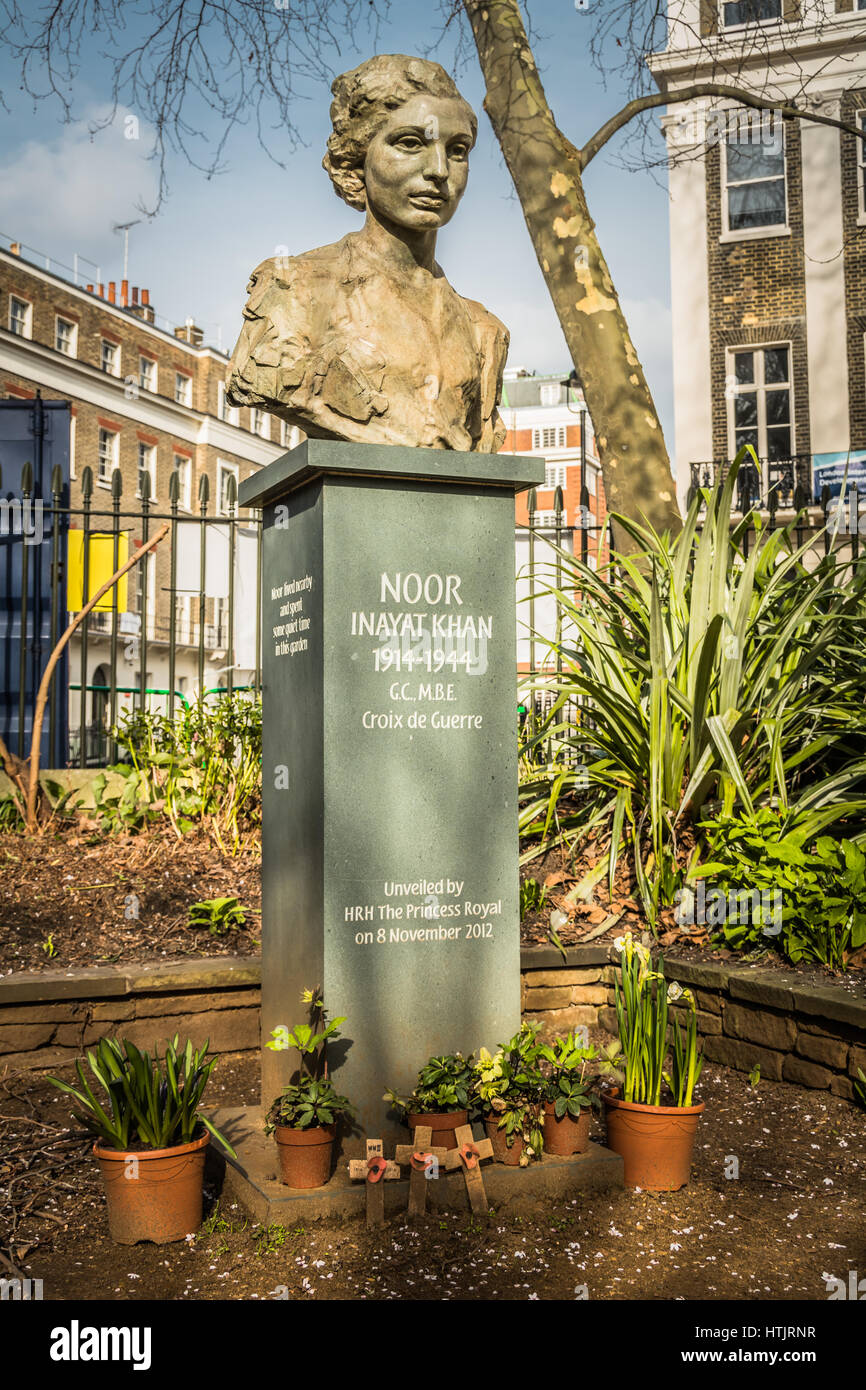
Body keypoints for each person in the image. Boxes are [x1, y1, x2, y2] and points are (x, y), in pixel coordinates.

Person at [227, 54, 509, 453]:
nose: (440, 170)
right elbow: (256, 381)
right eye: (411, 143)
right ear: (357, 159)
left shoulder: (484, 332)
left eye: (458, 150)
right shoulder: (295, 287)